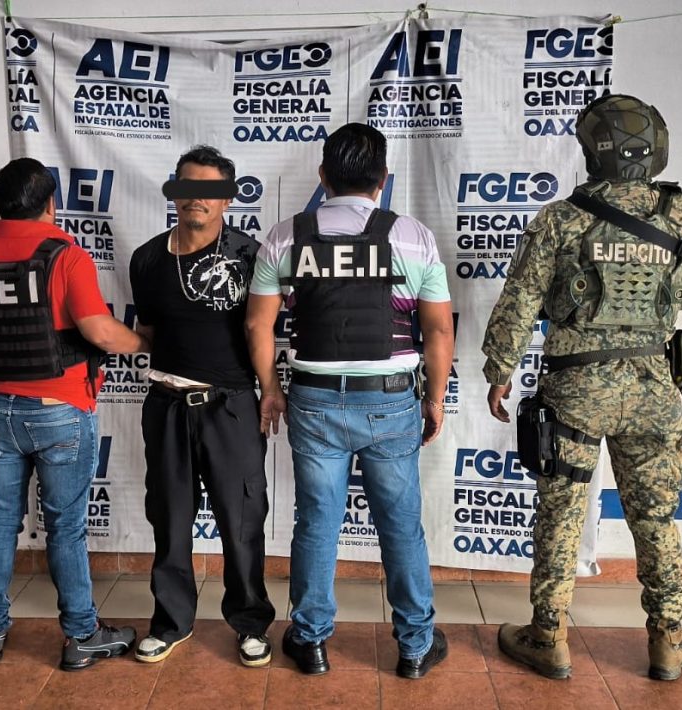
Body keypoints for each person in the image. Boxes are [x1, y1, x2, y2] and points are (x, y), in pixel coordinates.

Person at [481, 94, 682, 681]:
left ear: (592, 152)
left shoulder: (561, 219)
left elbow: (521, 301)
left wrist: (500, 371)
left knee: (561, 512)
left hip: (576, 389)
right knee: (655, 516)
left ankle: (548, 637)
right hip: (652, 390)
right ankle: (668, 638)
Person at [246, 123, 454, 678]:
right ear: (382, 179)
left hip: (314, 402)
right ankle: (415, 646)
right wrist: (435, 399)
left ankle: (310, 640)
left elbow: (258, 324)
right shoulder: (413, 237)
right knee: (401, 526)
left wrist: (270, 389)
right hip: (390, 403)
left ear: (323, 176)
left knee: (317, 522)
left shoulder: (285, 236)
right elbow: (438, 330)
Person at [0, 158, 149, 669]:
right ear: (51, 204)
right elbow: (99, 332)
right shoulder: (66, 256)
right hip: (60, 411)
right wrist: (146, 343)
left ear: (0, 205)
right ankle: (81, 635)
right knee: (65, 528)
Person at [128, 145, 276, 667]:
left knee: (242, 520)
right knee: (169, 518)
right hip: (167, 405)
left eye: (210, 190)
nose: (198, 198)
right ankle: (171, 622)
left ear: (228, 199)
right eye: (189, 186)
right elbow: (146, 331)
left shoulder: (251, 255)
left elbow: (263, 331)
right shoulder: (147, 259)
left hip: (230, 407)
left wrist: (269, 389)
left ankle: (250, 623)